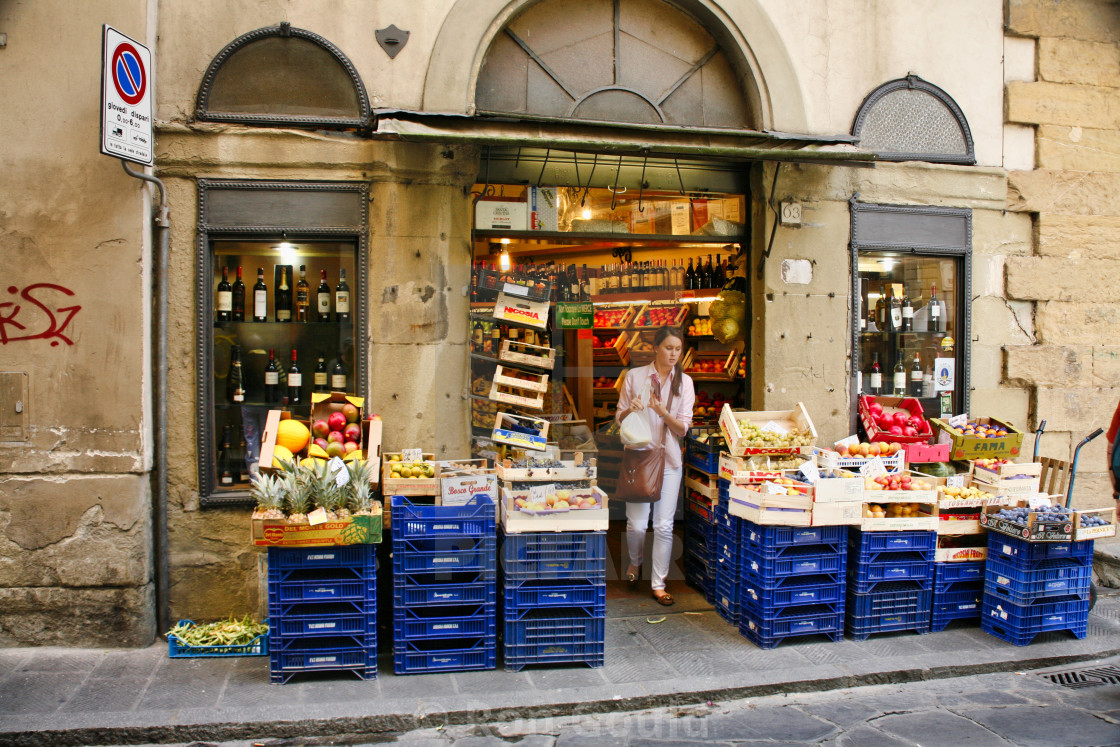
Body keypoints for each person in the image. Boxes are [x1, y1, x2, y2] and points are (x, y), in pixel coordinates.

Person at [615, 326, 695, 606]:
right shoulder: (635, 376)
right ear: (656, 348)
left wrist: (661, 411)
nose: (673, 354)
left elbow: (683, 428)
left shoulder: (685, 383)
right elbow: (619, 418)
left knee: (663, 525)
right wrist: (631, 410)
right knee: (637, 524)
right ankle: (635, 564)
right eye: (668, 348)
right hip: (639, 458)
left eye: (678, 349)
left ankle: (658, 583)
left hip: (670, 460)